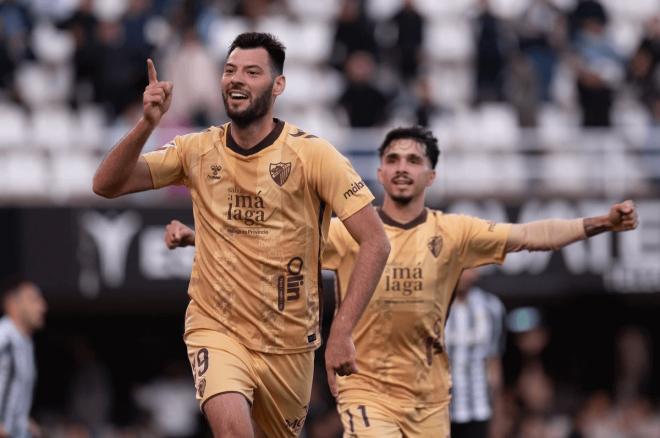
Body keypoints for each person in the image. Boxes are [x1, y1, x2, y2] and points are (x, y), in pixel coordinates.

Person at [166, 125, 638, 436]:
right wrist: (194, 236)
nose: (402, 168)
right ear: (378, 172)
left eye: (414, 161)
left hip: (430, 396)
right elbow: (268, 242)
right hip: (364, 386)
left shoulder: (454, 233)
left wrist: (600, 223)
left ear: (430, 175)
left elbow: (532, 236)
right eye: (392, 159)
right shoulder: (348, 232)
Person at [92, 31, 390, 437]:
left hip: (290, 344)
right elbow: (106, 184)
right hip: (216, 326)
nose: (237, 79)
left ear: (278, 84)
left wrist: (342, 330)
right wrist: (147, 124)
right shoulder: (196, 149)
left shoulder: (313, 155)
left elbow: (375, 240)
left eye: (252, 72)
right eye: (230, 70)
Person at [445, 268, 505, 438]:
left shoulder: (491, 306)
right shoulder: (436, 305)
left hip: (479, 406)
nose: (464, 274)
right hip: (441, 408)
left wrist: (498, 415)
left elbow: (493, 362)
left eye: (469, 267)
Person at [0, 277, 48, 438]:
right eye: (34, 300)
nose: (42, 307)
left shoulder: (24, 342)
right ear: (13, 304)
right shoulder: (4, 339)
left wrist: (23, 421)